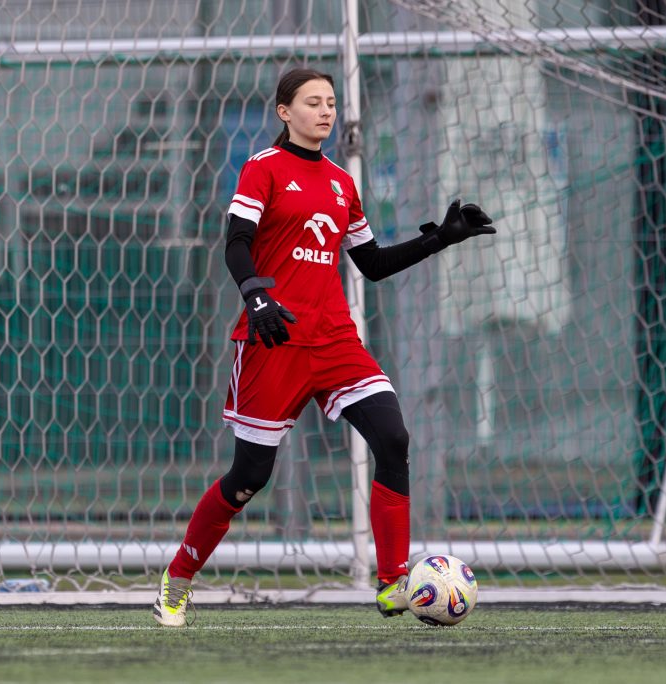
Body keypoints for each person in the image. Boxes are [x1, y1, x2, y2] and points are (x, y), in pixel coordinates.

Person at [153, 67, 495, 627]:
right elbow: (236, 243)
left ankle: (392, 583)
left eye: (331, 102)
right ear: (285, 112)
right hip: (273, 339)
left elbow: (372, 263)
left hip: (334, 339)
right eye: (313, 102)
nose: (326, 111)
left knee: (393, 438)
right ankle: (180, 576)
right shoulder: (262, 167)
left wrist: (441, 237)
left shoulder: (341, 182)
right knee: (248, 478)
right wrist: (256, 296)